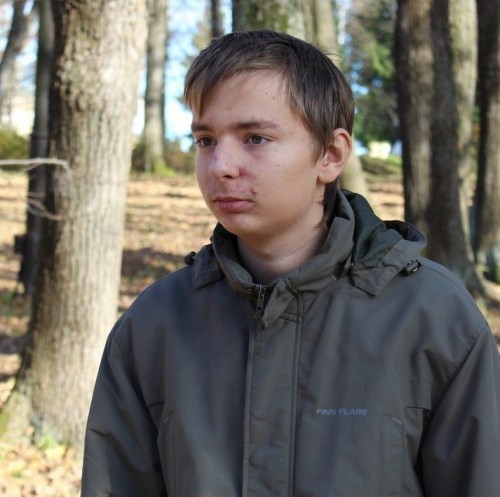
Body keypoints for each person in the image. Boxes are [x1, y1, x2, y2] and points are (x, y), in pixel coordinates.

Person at [81, 30, 500, 496]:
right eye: (205, 139)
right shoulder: (156, 325)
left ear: (331, 155)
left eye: (255, 138)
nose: (220, 165)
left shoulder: (433, 319)